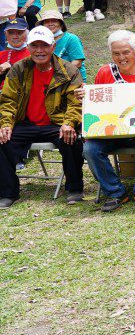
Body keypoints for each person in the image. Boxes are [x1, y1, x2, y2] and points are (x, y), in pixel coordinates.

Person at [0, 27, 85, 208]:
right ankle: (8, 192)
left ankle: (75, 188)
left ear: (53, 47)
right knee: (1, 138)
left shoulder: (68, 70)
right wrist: (6, 124)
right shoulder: (19, 69)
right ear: (28, 47)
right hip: (26, 123)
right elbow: (8, 100)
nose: (40, 50)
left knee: (71, 138)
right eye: (35, 46)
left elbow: (76, 102)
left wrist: (69, 123)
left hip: (57, 122)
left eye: (44, 45)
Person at [84, 30, 135, 212]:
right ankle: (115, 192)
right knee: (90, 149)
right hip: (112, 129)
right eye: (116, 53)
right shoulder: (105, 73)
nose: (121, 57)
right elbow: (98, 104)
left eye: (126, 52)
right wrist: (85, 97)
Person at [38, 10, 87, 82]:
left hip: (72, 79)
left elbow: (77, 62)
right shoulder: (40, 41)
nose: (50, 24)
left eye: (54, 21)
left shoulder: (71, 38)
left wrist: (57, 77)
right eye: (47, 21)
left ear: (61, 24)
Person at [0, 19, 30, 86]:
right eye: (11, 33)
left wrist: (12, 67)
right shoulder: (1, 54)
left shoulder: (35, 54)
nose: (15, 37)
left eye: (19, 32)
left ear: (27, 33)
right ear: (5, 34)